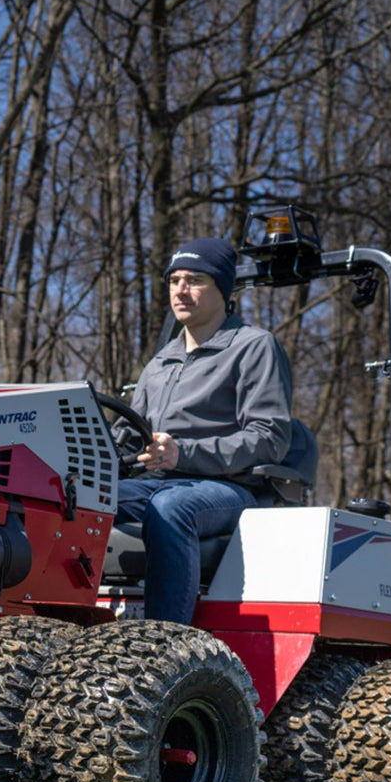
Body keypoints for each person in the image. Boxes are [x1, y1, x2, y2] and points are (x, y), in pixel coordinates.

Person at [115, 236, 292, 624]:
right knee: (80, 498)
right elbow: (127, 434)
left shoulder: (253, 347)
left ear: (222, 288)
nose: (181, 290)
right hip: (157, 481)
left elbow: (270, 438)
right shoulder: (161, 361)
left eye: (195, 280)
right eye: (174, 280)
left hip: (231, 489)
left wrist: (185, 453)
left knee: (171, 507)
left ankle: (166, 639)